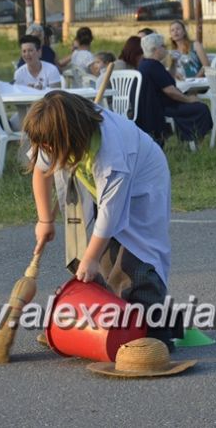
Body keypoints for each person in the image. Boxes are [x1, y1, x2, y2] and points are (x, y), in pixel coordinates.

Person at [26, 90, 182, 349]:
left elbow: (110, 216)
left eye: (51, 147)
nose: (47, 151)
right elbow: (41, 171)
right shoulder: (53, 137)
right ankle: (96, 320)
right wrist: (45, 220)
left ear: (72, 137)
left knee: (135, 258)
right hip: (95, 181)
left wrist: (91, 258)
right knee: (92, 249)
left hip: (143, 184)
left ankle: (154, 329)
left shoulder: (113, 156)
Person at [137, 33, 212, 148]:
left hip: (153, 107)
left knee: (194, 105)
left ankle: (189, 139)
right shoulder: (154, 66)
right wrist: (189, 99)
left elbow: (167, 79)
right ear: (155, 49)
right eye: (163, 46)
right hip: (161, 109)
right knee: (201, 108)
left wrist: (174, 63)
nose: (165, 49)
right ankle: (195, 140)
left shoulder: (145, 64)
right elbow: (170, 91)